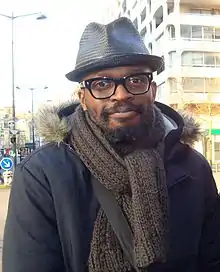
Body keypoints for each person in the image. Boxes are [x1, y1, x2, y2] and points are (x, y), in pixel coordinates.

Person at [3, 17, 220, 272]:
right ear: (83, 98)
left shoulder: (192, 167)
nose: (121, 94)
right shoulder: (42, 173)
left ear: (153, 89)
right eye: (102, 84)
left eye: (136, 79)